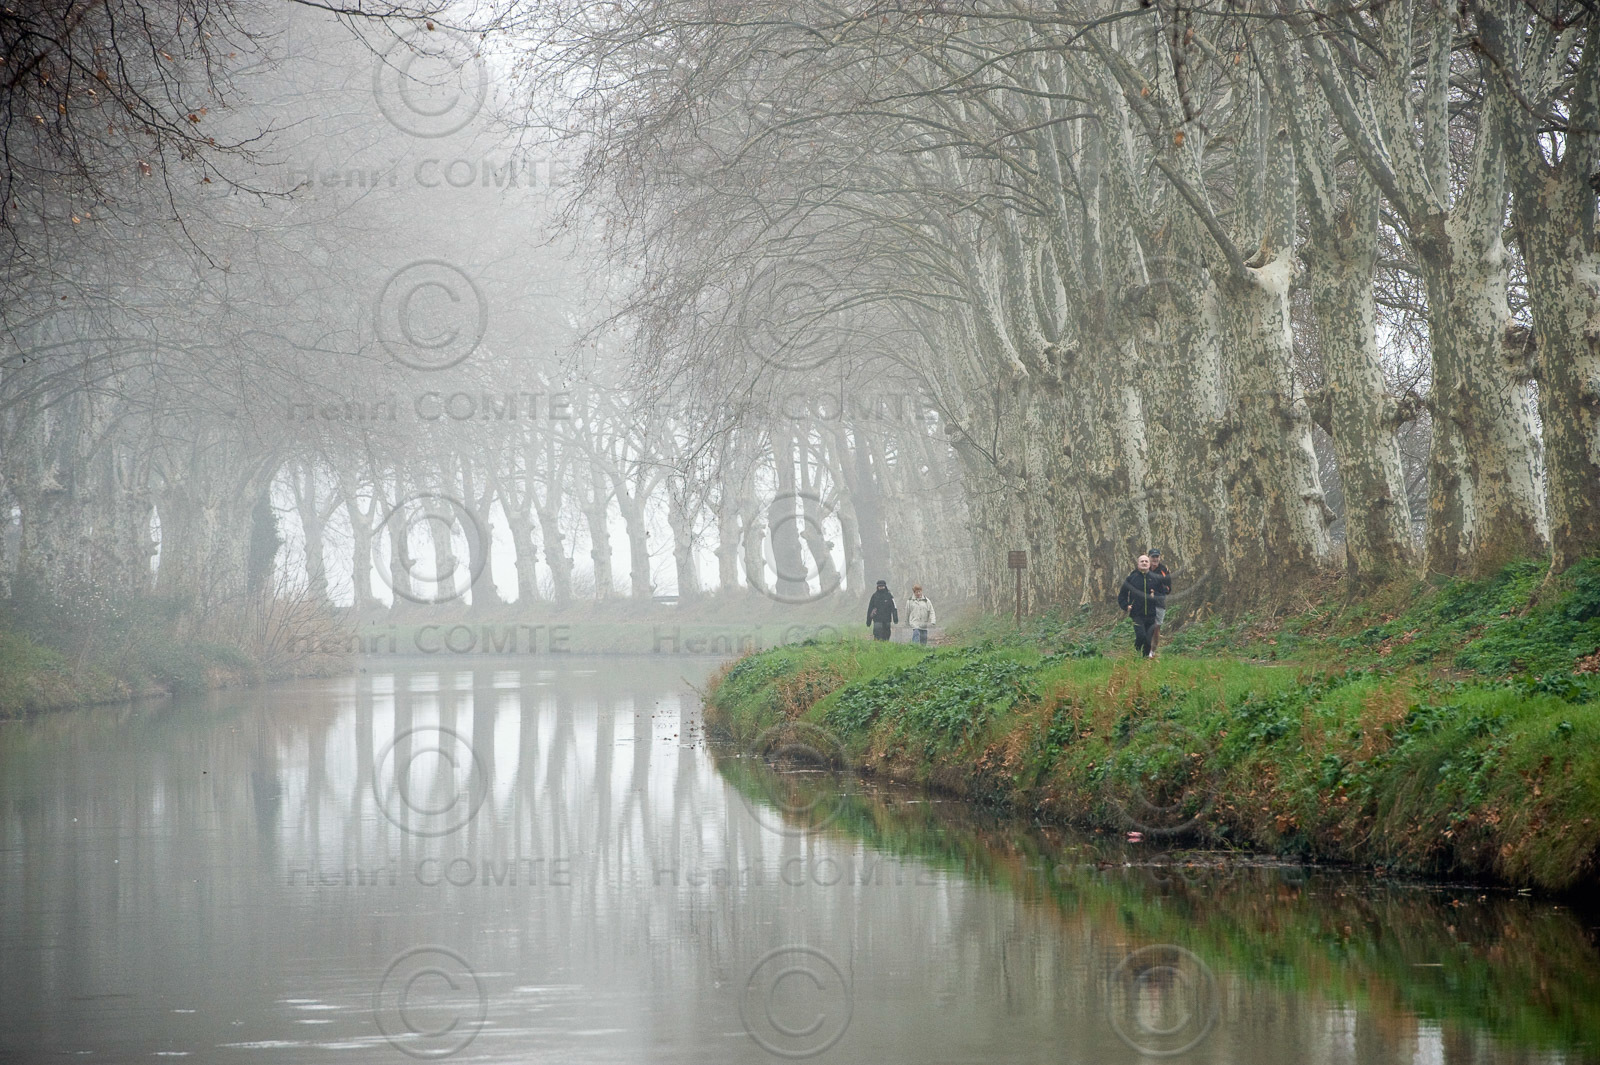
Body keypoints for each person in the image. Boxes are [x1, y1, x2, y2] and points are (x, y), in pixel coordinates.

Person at [1117, 554, 1163, 658]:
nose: (1144, 563)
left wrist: (1154, 595)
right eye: (1142, 561)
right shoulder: (1132, 578)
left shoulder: (1155, 578)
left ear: (1149, 564)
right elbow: (1122, 596)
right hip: (1137, 614)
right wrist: (1126, 606)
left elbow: (1162, 593)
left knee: (1148, 640)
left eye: (1146, 561)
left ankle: (1145, 660)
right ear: (1138, 564)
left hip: (1151, 614)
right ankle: (1137, 652)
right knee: (1141, 636)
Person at [1147, 548, 1172, 657]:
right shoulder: (1144, 568)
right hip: (1145, 603)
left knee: (1156, 628)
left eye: (1157, 557)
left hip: (1159, 603)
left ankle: (1153, 652)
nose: (1155, 559)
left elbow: (1169, 589)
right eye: (1153, 557)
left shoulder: (1164, 570)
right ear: (1149, 557)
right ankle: (1145, 650)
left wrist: (1157, 591)